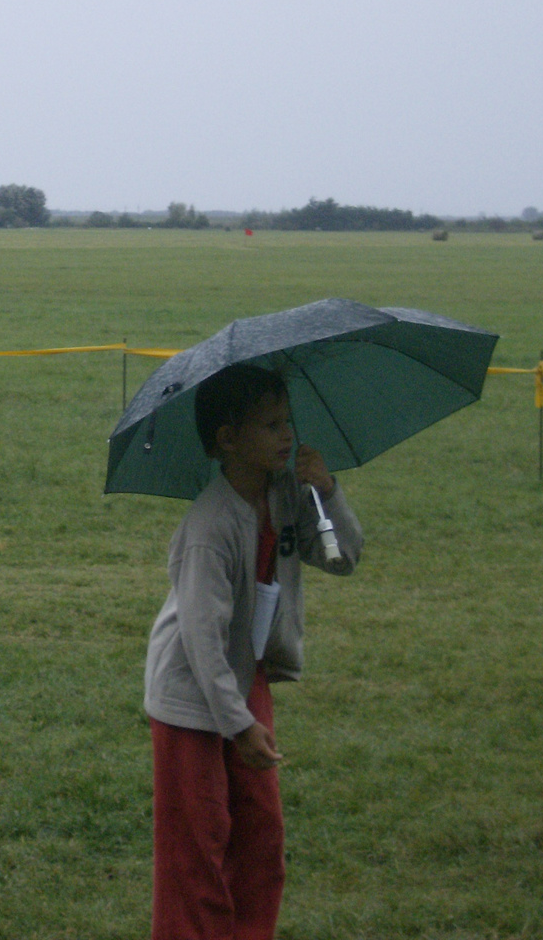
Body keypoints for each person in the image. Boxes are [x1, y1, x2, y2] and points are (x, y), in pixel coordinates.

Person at [144, 364, 363, 940]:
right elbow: (200, 639)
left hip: (247, 681)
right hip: (193, 693)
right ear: (227, 439)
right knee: (198, 845)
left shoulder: (288, 496)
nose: (287, 436)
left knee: (261, 839)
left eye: (287, 422)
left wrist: (329, 494)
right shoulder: (209, 527)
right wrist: (237, 724)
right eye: (270, 425)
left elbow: (343, 557)